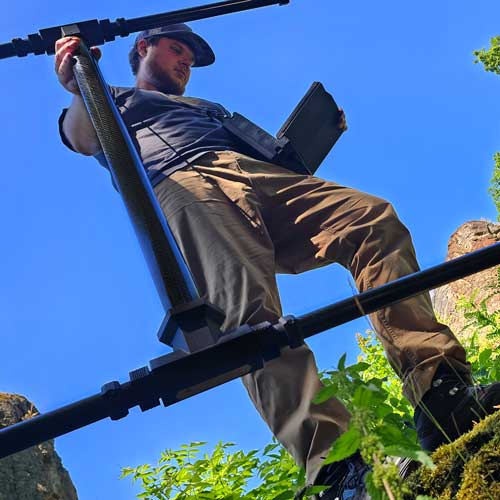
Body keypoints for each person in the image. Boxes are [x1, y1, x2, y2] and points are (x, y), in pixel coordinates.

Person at [55, 24, 500, 500]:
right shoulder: (112, 99)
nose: (185, 62)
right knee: (249, 318)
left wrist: (312, 138)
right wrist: (78, 82)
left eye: (190, 58)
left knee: (371, 220)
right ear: (143, 47)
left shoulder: (207, 108)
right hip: (184, 181)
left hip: (254, 173)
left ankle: (441, 391)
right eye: (177, 49)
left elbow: (276, 159)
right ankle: (337, 470)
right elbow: (82, 135)